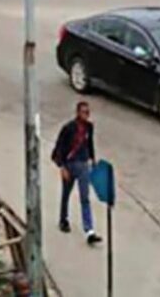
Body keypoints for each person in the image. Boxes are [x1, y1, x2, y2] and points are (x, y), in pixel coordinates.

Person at [51, 101, 102, 245]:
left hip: (83, 165)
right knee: (66, 194)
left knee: (85, 197)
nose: (87, 115)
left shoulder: (89, 127)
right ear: (78, 113)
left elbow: (89, 143)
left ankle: (89, 230)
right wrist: (62, 167)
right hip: (70, 164)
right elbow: (59, 147)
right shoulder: (68, 128)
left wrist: (93, 159)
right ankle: (63, 220)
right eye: (84, 112)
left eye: (88, 112)